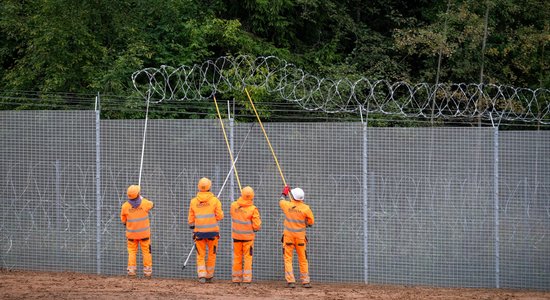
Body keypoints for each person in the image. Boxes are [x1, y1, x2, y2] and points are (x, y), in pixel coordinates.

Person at [188, 177, 224, 283]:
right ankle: (209, 276)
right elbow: (220, 216)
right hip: (213, 233)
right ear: (210, 187)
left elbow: (191, 218)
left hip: (199, 233)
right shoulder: (215, 201)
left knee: (200, 255)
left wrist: (192, 225)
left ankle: (201, 275)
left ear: (199, 187)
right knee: (212, 254)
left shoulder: (193, 201)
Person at [279, 185, 314, 288]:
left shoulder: (287, 205)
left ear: (292, 196)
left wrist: (285, 192)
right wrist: (305, 223)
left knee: (288, 258)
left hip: (288, 237)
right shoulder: (306, 208)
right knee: (303, 259)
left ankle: (291, 281)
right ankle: (305, 281)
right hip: (300, 238)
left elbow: (281, 200)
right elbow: (311, 222)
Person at [120, 185, 154, 277]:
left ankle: (131, 271)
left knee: (132, 252)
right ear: (138, 194)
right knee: (146, 252)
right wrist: (142, 198)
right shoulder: (145, 203)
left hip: (131, 235)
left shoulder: (125, 206)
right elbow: (152, 204)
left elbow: (123, 220)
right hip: (144, 235)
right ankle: (147, 272)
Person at [230, 186, 262, 286]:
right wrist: (255, 228)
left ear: (242, 194)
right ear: (252, 196)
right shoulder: (253, 209)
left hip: (236, 237)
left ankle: (236, 279)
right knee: (247, 258)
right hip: (248, 238)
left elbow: (232, 214)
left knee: (237, 257)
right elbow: (257, 226)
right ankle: (246, 280)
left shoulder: (234, 205)